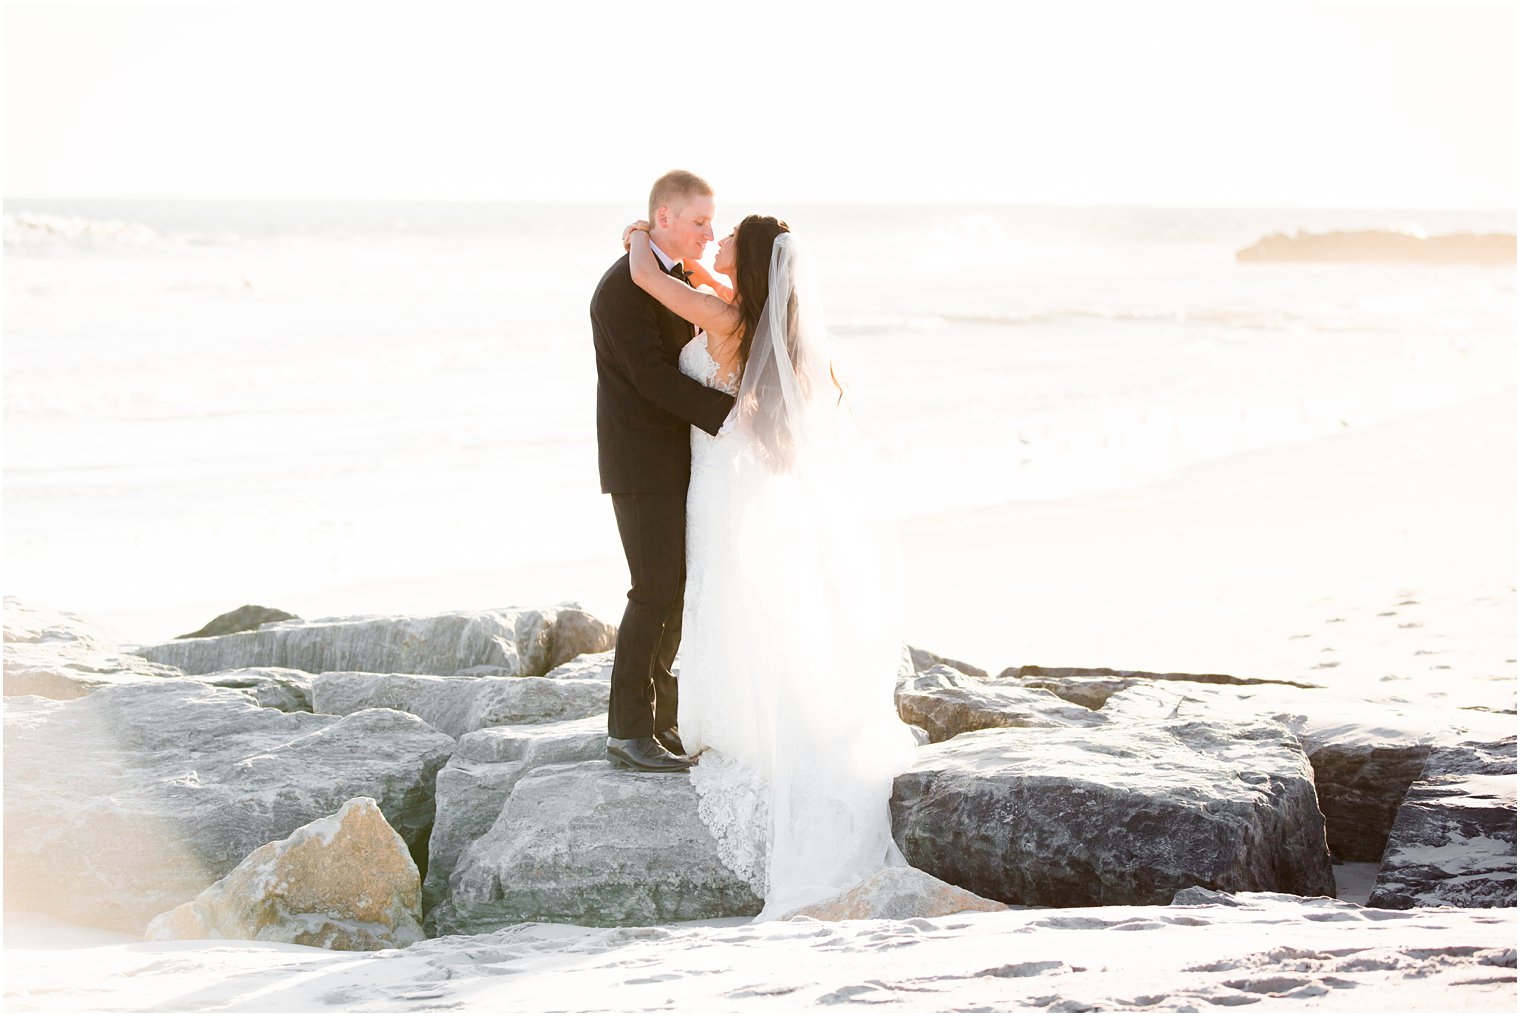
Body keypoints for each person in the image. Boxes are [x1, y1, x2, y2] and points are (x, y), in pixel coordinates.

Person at [622, 211, 919, 919]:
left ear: (750, 262)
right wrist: (696, 268)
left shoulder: (726, 321)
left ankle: (725, 726)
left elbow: (642, 276)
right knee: (739, 597)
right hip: (739, 483)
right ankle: (744, 717)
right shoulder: (766, 323)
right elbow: (705, 283)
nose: (716, 241)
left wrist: (638, 235)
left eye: (728, 240)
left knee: (720, 598)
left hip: (716, 485)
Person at [589, 170, 734, 774]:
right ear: (664, 218)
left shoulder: (668, 275)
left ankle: (662, 722)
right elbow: (652, 379)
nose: (709, 231)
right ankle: (627, 731)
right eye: (699, 221)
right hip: (641, 463)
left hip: (680, 460)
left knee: (676, 592)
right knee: (652, 592)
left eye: (711, 221)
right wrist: (736, 418)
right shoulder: (623, 287)